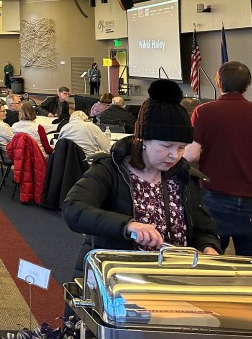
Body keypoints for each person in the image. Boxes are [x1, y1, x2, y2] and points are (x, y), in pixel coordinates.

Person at [63, 79, 221, 257]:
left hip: (176, 274)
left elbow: (203, 229)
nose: (175, 155)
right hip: (122, 275)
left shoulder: (184, 177)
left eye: (181, 147)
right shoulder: (110, 169)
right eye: (166, 146)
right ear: (143, 139)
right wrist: (128, 225)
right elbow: (74, 209)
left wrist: (209, 247)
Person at [186, 61, 252, 255]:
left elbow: (192, 154)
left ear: (218, 83)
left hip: (214, 197)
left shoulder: (203, 111)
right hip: (250, 200)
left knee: (212, 259)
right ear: (247, 85)